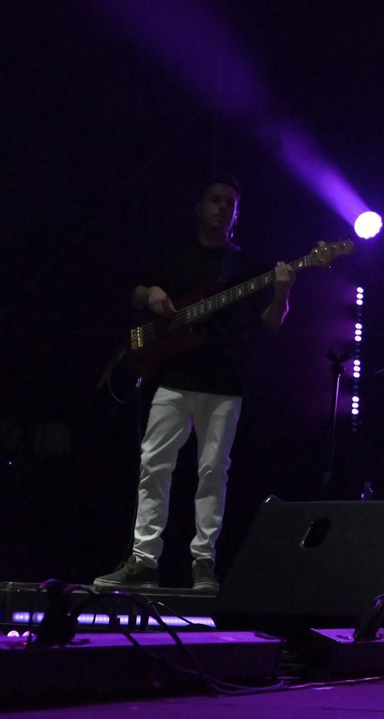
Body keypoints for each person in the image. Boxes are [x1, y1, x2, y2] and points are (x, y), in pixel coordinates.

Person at [94, 176, 295, 591]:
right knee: (154, 464)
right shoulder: (174, 254)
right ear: (199, 207)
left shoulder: (244, 264)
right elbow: (133, 291)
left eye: (230, 203)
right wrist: (151, 292)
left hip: (224, 382)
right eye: (215, 200)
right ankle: (144, 560)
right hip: (174, 376)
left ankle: (204, 563)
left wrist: (282, 292)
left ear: (236, 214)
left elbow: (273, 321)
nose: (222, 208)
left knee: (212, 472)